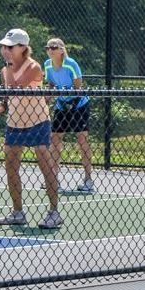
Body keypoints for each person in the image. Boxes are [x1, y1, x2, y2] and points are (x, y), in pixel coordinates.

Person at [0, 28, 63, 229]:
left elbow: (16, 86)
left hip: (38, 121)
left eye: (9, 47)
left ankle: (54, 212)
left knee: (45, 163)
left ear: (23, 48)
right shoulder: (4, 70)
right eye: (3, 46)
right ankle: (17, 212)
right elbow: (9, 97)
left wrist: (9, 65)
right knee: (11, 166)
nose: (5, 49)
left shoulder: (34, 67)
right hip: (14, 123)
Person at [44, 37, 95, 193]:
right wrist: (48, 96)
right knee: (55, 139)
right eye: (48, 47)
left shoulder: (71, 64)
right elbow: (51, 84)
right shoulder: (47, 65)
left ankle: (88, 180)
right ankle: (53, 180)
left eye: (54, 47)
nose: (50, 50)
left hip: (79, 105)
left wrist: (69, 100)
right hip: (62, 106)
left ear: (61, 50)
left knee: (82, 140)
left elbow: (77, 86)